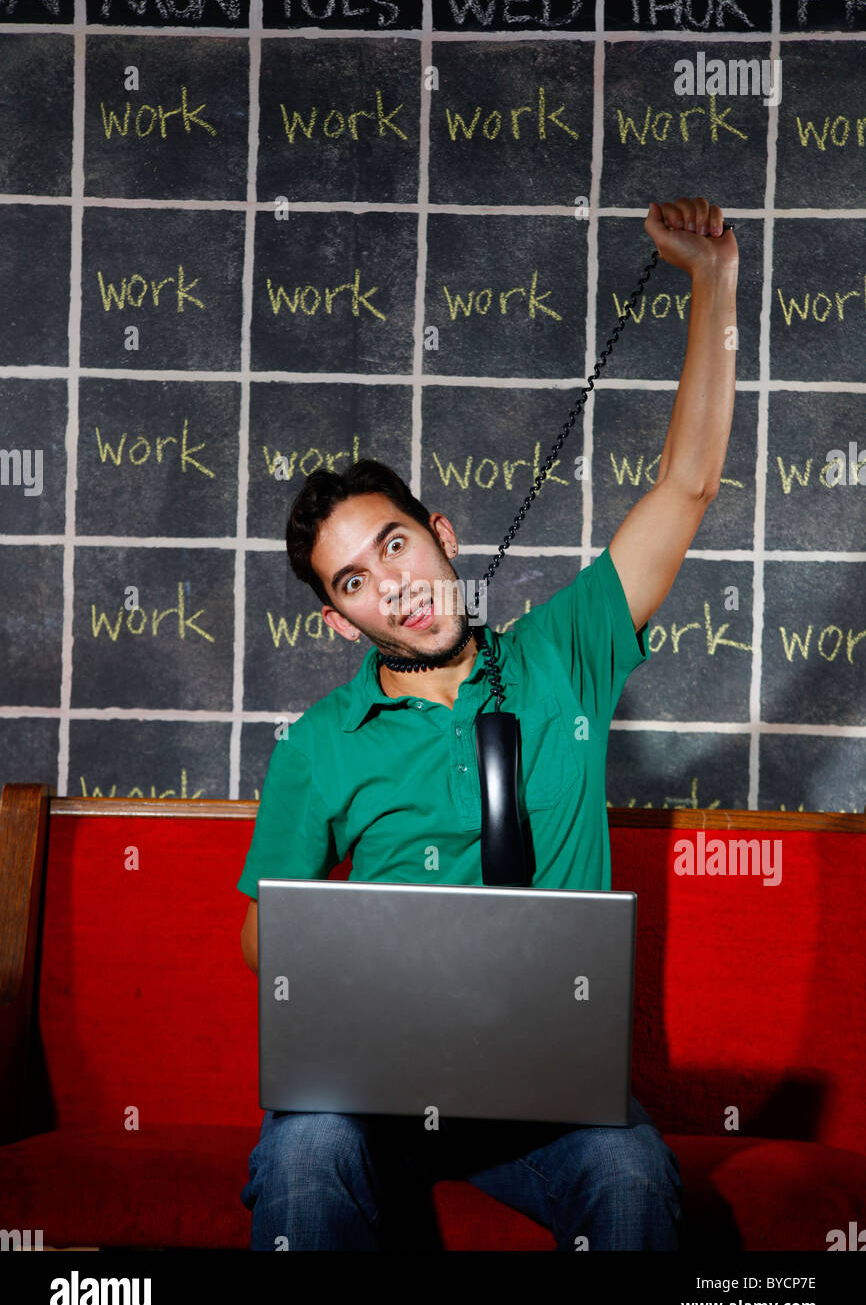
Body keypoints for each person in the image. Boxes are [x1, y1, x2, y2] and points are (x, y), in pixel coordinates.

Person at [237, 196, 739, 1250]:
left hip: (542, 1098)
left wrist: (709, 281)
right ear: (339, 621)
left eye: (395, 545)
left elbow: (687, 485)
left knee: (632, 1175)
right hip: (368, 1091)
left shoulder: (565, 652)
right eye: (356, 581)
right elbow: (256, 936)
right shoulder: (320, 739)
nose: (394, 585)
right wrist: (378, 955)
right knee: (300, 1154)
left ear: (441, 534)